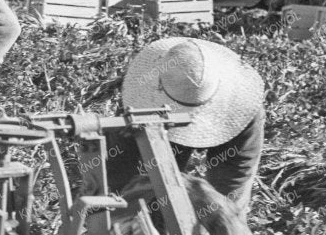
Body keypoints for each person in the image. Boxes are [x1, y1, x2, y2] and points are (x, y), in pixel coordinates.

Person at [98, 37, 265, 222]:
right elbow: (122, 172)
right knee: (145, 190)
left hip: (231, 113)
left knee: (228, 208)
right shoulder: (142, 100)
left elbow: (234, 178)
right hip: (159, 117)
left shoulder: (242, 106)